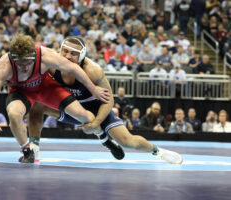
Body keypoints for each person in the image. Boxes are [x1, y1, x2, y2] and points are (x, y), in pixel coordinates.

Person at [28, 36, 183, 165]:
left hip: (97, 109)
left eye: (73, 53)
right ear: (60, 50)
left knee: (127, 141)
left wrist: (96, 122)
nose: (68, 56)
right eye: (65, 51)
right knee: (37, 105)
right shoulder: (52, 65)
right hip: (70, 108)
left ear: (82, 55)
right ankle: (34, 146)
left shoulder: (93, 70)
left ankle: (157, 151)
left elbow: (109, 100)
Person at [0, 33, 110, 163]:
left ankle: (104, 139)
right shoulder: (4, 65)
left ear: (34, 56)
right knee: (13, 113)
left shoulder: (45, 55)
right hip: (22, 92)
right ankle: (26, 150)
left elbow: (74, 68)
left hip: (46, 87)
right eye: (20, 64)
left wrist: (94, 89)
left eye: (29, 63)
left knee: (83, 114)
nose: (25, 67)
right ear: (13, 59)